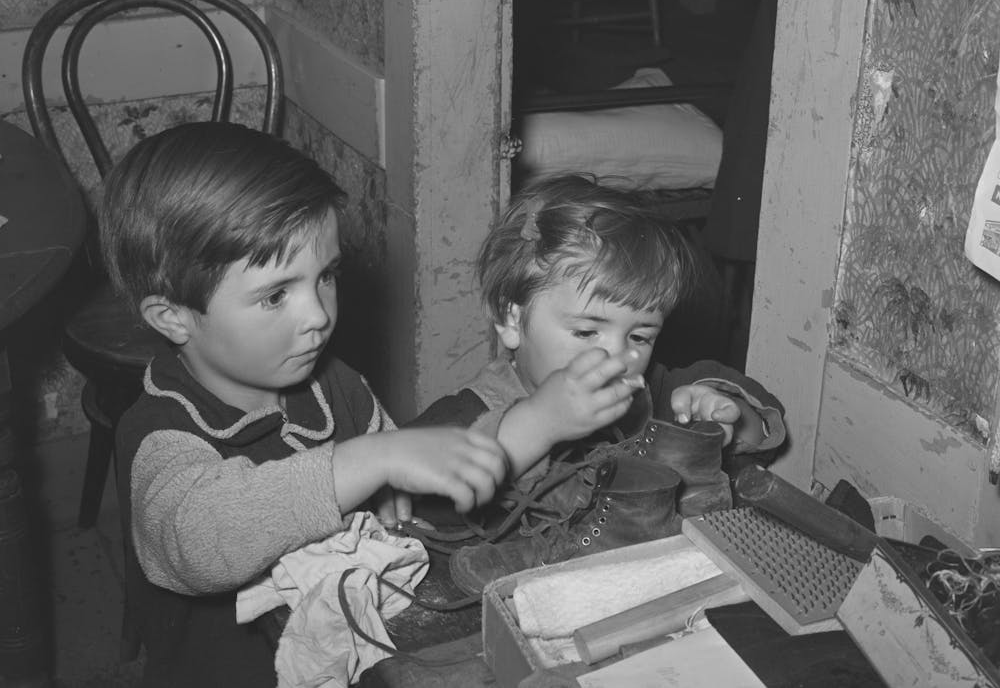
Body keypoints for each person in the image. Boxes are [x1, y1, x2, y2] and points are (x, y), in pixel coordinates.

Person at [101, 122, 508, 688]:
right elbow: (198, 540)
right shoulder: (160, 434)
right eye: (275, 295)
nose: (317, 315)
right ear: (173, 317)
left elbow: (393, 495)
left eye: (327, 276)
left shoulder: (337, 384)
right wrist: (369, 461)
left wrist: (394, 487)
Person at [401, 174, 787, 594]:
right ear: (511, 319)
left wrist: (721, 413)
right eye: (587, 333)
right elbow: (407, 503)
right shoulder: (460, 418)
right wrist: (537, 425)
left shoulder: (644, 395)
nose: (617, 359)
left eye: (640, 337)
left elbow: (760, 422)